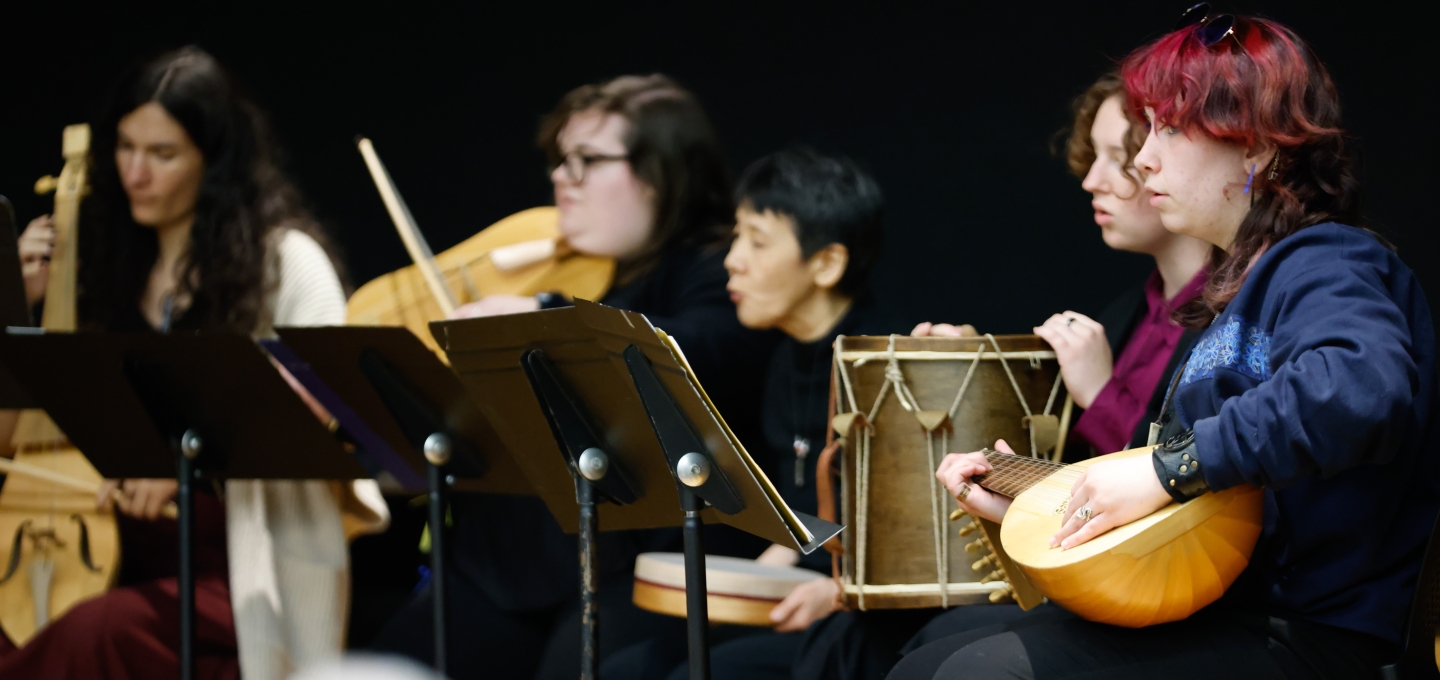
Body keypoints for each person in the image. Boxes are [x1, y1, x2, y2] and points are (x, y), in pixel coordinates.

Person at [895, 12, 1437, 679]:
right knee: (936, 648)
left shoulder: (1327, 260)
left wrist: (1163, 469)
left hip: (1305, 637)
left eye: (1171, 129)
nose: (1144, 156)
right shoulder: (1229, 295)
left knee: (976, 671)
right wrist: (1045, 499)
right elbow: (1191, 502)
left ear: (1255, 149)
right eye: (1148, 127)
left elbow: (1358, 387)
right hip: (1219, 612)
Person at [369, 74, 779, 680]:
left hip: (631, 566)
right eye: (560, 161)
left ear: (661, 172)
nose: (563, 177)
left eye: (587, 160)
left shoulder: (717, 265)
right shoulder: (565, 265)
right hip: (502, 566)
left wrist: (547, 316)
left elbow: (710, 348)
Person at [0, 47, 388, 680]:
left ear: (214, 161)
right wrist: (17, 306)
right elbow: (10, 439)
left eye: (162, 154)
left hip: (234, 567)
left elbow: (325, 393)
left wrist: (189, 458)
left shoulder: (285, 261)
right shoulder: (105, 269)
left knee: (97, 634)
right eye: (125, 148)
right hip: (105, 554)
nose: (135, 173)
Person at [899, 70, 1216, 650]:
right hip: (1101, 571)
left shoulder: (1233, 317)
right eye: (1093, 156)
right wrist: (984, 361)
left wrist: (1101, 394)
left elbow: (1177, 492)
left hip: (1168, 586)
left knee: (942, 651)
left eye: (1119, 157)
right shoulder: (1127, 314)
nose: (1092, 180)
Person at [600, 147, 902, 680]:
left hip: (867, 611)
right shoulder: (785, 355)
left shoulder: (886, 362)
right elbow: (806, 511)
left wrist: (835, 589)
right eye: (736, 237)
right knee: (627, 666)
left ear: (827, 263)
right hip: (800, 595)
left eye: (757, 241)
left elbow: (901, 529)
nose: (732, 260)